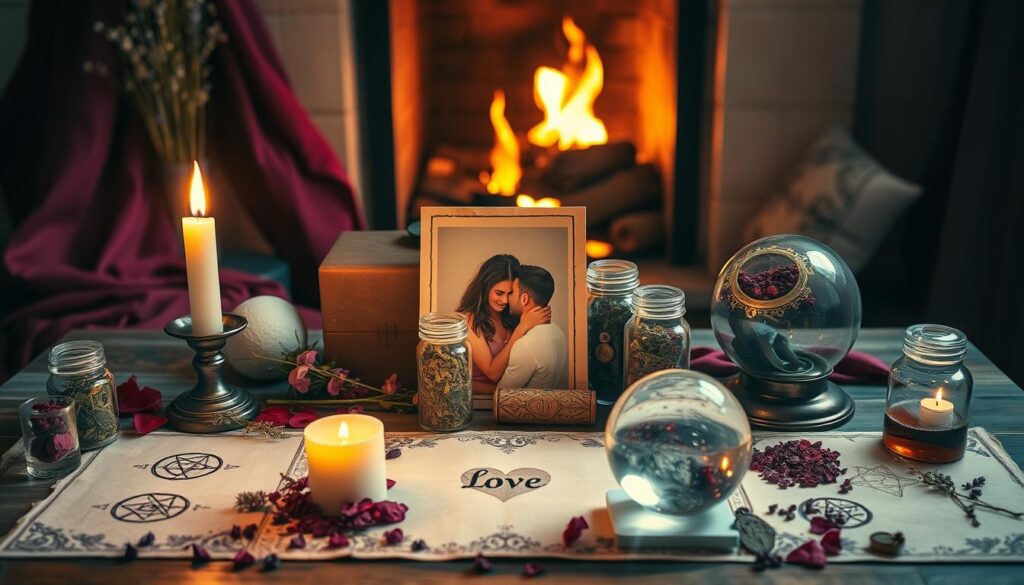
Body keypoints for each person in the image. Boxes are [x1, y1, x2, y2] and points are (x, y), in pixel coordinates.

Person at [457, 255, 551, 395]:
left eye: (511, 293)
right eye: (499, 293)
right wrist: (521, 329)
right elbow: (492, 373)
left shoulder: (512, 316)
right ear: (485, 287)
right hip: (480, 400)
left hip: (509, 398)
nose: (505, 300)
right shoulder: (469, 320)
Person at [497, 264, 568, 389]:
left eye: (512, 292)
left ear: (524, 299)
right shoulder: (559, 333)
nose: (507, 299)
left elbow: (502, 399)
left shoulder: (526, 345)